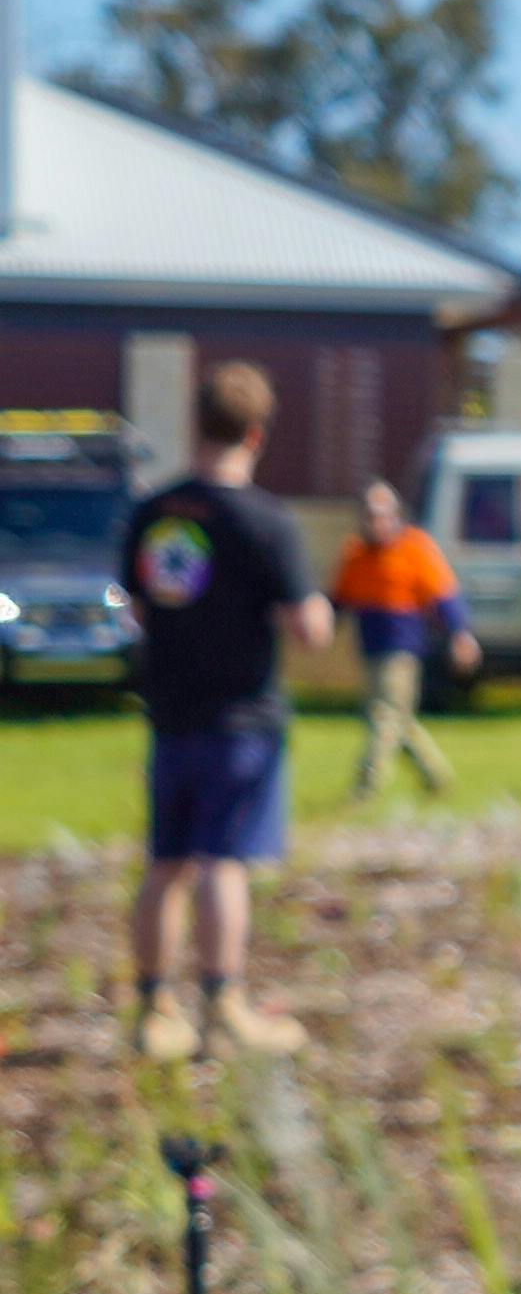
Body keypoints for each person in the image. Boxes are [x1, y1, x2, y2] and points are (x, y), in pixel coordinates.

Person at [119, 364, 334, 1060]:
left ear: (196, 424)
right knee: (222, 865)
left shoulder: (155, 512)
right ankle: (224, 1008)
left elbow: (142, 609)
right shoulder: (265, 521)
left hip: (170, 713)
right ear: (256, 433)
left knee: (166, 864)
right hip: (241, 720)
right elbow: (309, 628)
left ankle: (153, 1012)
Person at [329, 476, 466, 803]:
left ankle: (366, 787)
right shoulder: (356, 554)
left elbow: (444, 596)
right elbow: (340, 599)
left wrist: (460, 634)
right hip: (370, 646)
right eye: (369, 515)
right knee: (396, 720)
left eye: (382, 514)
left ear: (395, 514)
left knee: (384, 716)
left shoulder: (415, 547)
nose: (375, 522)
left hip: (402, 648)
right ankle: (438, 778)